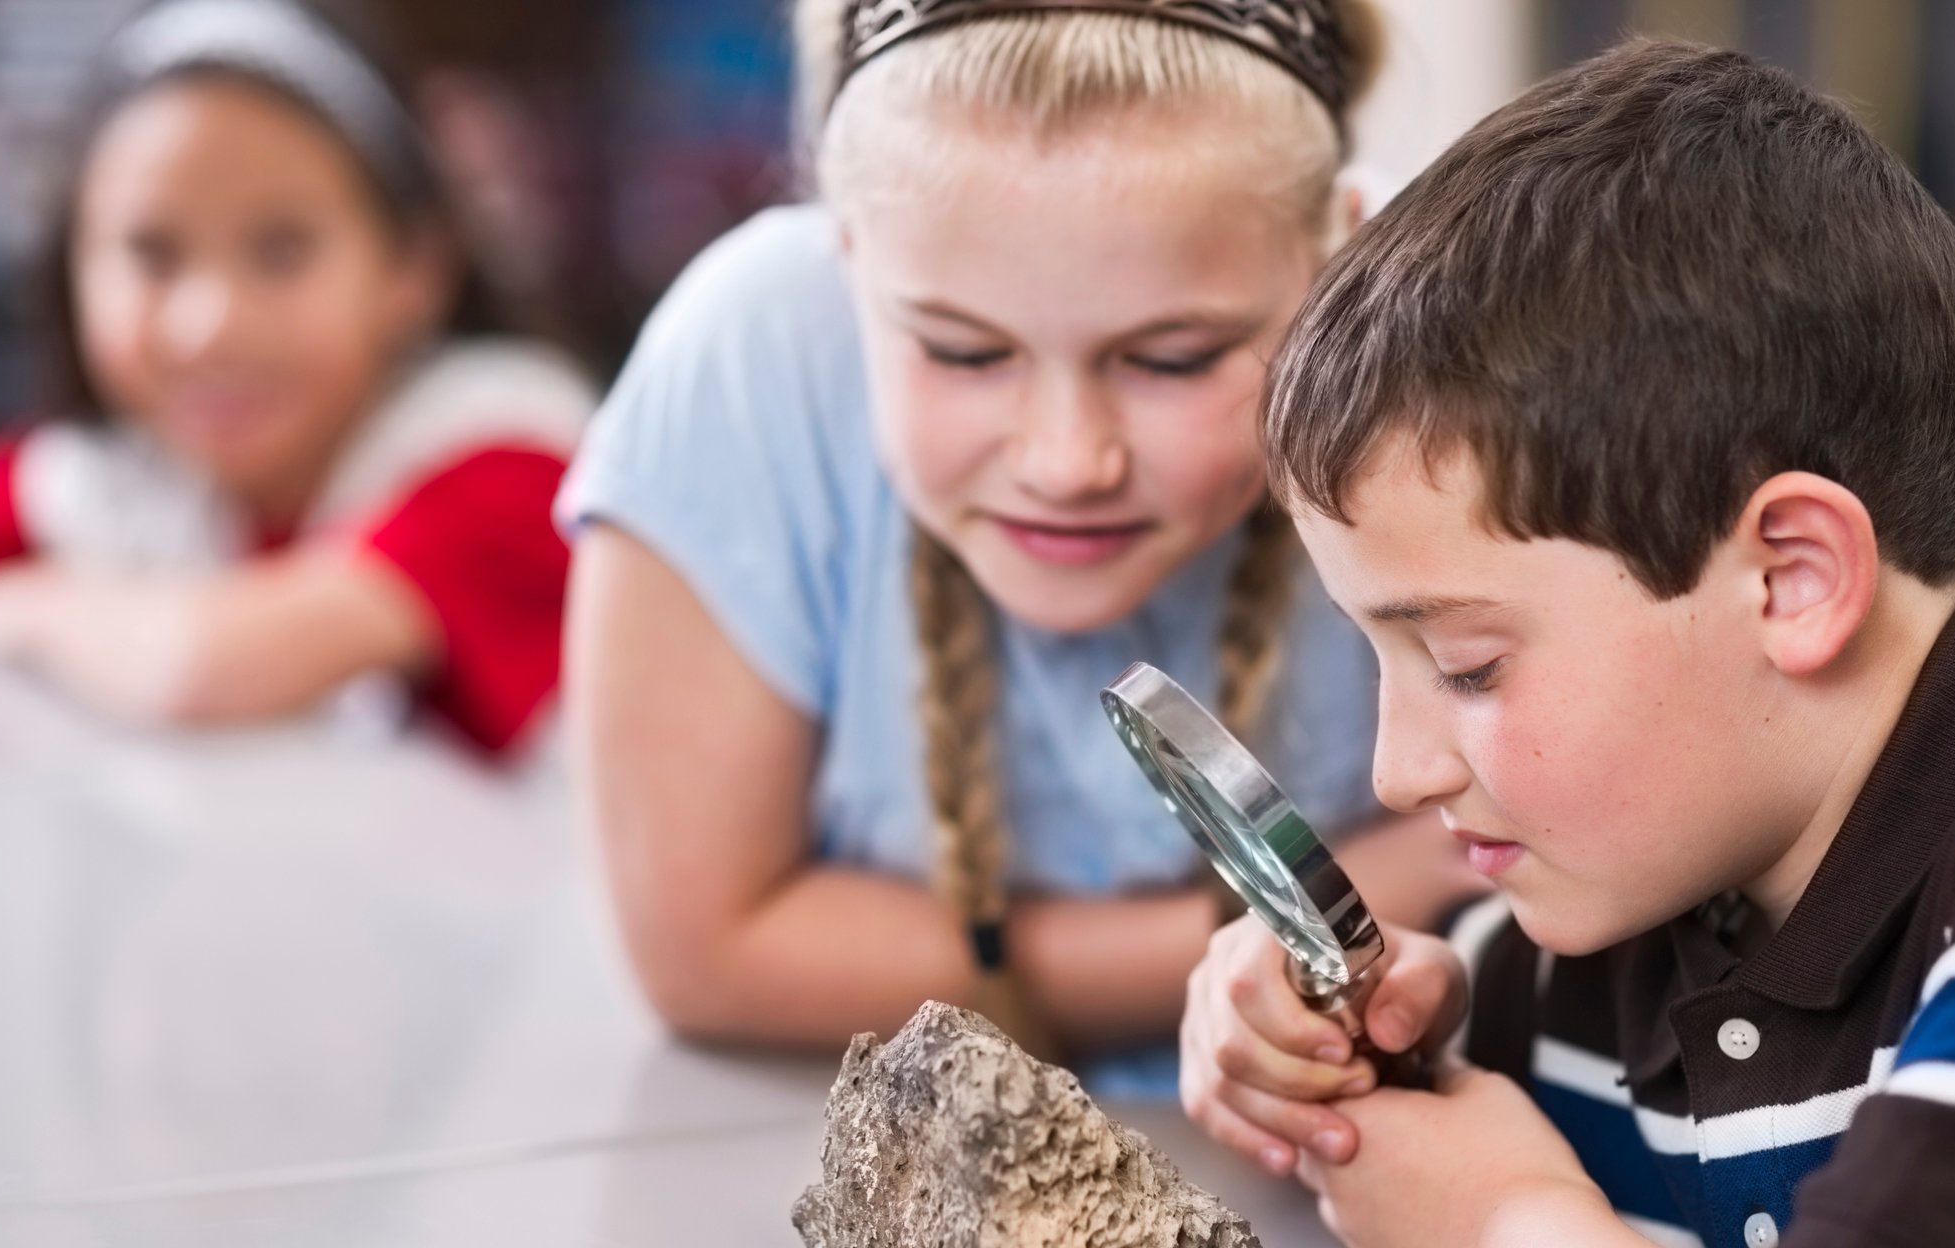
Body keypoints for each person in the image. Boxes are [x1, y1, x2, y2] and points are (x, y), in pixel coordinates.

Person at [1180, 38, 1955, 1248]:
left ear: (1791, 579)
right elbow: (1411, 1105)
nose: (1394, 769)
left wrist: (1499, 1233)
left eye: (1467, 663)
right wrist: (1312, 1040)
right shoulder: (1632, 892)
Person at [560, 0, 1483, 1072]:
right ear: (847, 256)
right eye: (961, 351)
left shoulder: (1448, 381)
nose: (1065, 462)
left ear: (1339, 260)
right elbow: (704, 954)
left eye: (1173, 359)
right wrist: (1318, 918)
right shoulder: (745, 355)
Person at [0, 0, 593, 756]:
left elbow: (201, 669)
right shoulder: (112, 485)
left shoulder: (513, 462)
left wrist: (20, 611)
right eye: (153, 254)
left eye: (281, 250)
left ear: (416, 266)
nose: (211, 324)